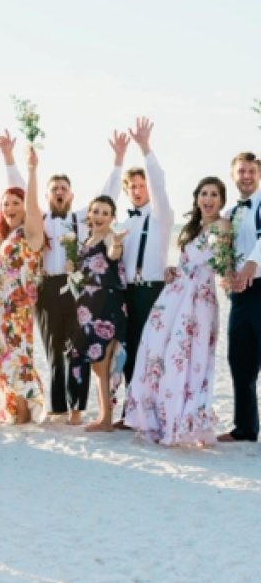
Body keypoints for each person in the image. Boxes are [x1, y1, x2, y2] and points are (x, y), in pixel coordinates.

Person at [0, 129, 128, 420]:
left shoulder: (83, 218)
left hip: (79, 289)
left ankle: (77, 410)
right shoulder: (39, 218)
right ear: (47, 195)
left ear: (71, 194)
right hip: (46, 289)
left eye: (63, 188)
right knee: (53, 351)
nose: (59, 192)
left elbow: (109, 192)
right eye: (54, 188)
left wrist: (118, 160)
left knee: (77, 350)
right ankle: (57, 409)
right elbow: (22, 191)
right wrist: (10, 159)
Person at [124, 178, 226, 446]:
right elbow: (189, 261)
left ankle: (183, 422)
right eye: (203, 193)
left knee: (187, 356)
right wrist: (172, 269)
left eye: (214, 194)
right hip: (174, 296)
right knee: (155, 349)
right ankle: (159, 419)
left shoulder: (222, 226)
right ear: (197, 198)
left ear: (221, 200)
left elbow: (220, 262)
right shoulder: (194, 228)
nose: (208, 198)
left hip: (198, 301)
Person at [0, 146, 46, 424]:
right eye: (6, 204)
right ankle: (13, 408)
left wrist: (30, 170)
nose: (10, 208)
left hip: (17, 310)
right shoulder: (0, 240)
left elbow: (32, 207)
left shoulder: (30, 234)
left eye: (15, 203)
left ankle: (25, 410)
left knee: (17, 357)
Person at [113, 117, 175, 428]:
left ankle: (157, 412)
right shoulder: (123, 223)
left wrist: (146, 149)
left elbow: (159, 186)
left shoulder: (163, 215)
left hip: (153, 290)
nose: (138, 191)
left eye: (142, 186)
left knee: (156, 353)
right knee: (131, 352)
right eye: (132, 187)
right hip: (127, 292)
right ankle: (131, 411)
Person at [68, 196, 128, 432]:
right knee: (96, 363)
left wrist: (117, 243)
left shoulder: (111, 238)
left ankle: (105, 419)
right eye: (96, 211)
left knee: (103, 361)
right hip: (87, 306)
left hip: (106, 304)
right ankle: (104, 416)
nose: (100, 216)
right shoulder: (87, 239)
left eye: (105, 212)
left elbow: (113, 255)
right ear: (89, 214)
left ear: (112, 217)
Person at [218, 152, 261, 443]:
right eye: (240, 171)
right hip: (241, 296)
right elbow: (226, 249)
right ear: (233, 176)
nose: (245, 176)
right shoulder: (231, 213)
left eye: (251, 171)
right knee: (240, 360)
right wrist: (228, 272)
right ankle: (245, 429)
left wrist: (251, 263)